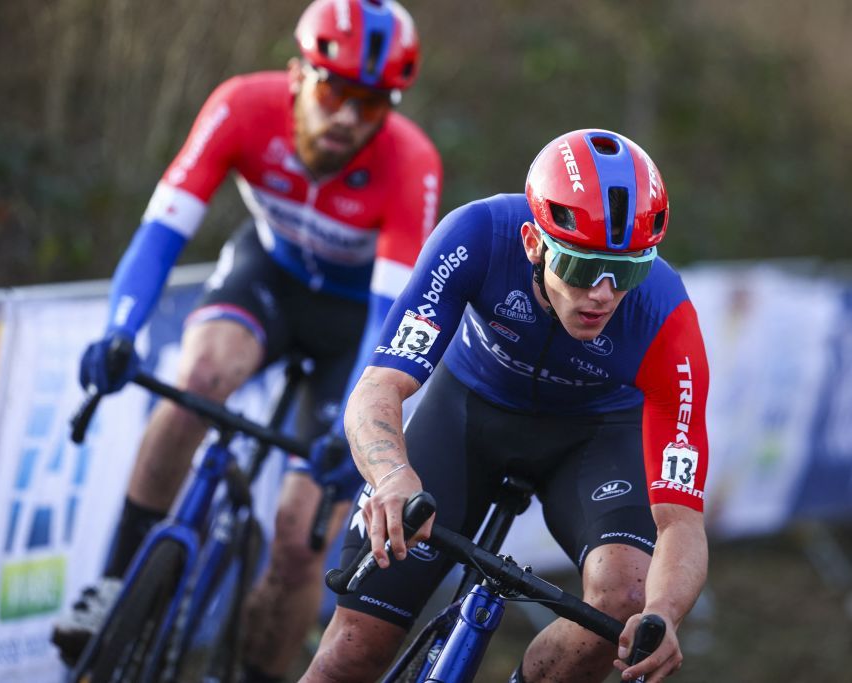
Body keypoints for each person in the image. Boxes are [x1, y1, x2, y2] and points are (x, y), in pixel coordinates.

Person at [50, 1, 441, 680]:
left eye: (373, 102)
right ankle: (115, 579)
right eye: (335, 90)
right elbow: (162, 232)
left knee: (298, 537)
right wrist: (121, 329)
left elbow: (388, 321)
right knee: (198, 379)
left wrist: (361, 436)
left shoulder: (411, 162)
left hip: (354, 325)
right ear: (297, 74)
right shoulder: (241, 106)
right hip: (268, 278)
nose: (350, 116)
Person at [300, 128, 709, 683]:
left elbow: (681, 518)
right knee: (349, 653)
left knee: (625, 597)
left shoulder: (666, 317)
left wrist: (663, 611)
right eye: (585, 267)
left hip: (595, 438)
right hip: (470, 413)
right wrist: (391, 475)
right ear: (534, 244)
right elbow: (378, 387)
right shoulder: (477, 235)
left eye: (629, 270)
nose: (604, 294)